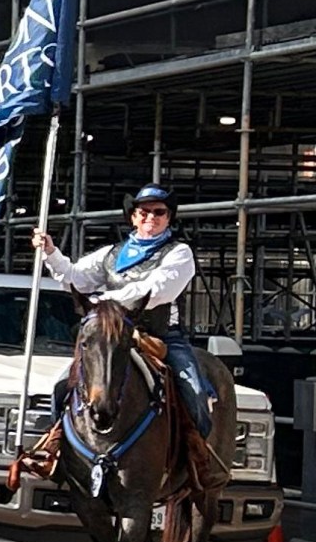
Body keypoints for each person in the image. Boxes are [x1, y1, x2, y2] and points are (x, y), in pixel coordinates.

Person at [18, 185, 229, 491]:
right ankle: (54, 446)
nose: (151, 218)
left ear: (168, 218)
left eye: (159, 212)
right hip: (113, 337)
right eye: (144, 212)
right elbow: (75, 277)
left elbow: (157, 290)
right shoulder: (111, 254)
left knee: (195, 392)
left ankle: (198, 458)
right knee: (62, 386)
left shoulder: (179, 253)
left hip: (160, 337)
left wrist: (104, 301)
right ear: (133, 217)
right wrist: (51, 252)